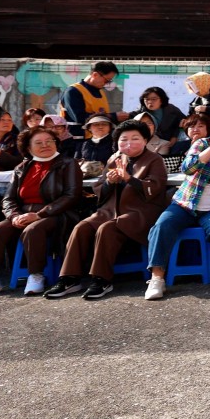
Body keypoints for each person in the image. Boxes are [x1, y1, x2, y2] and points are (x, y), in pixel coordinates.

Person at [0, 125, 84, 299]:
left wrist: (39, 215)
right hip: (22, 214)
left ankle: (36, 275)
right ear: (28, 147)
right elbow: (8, 199)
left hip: (56, 214)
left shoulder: (68, 163)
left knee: (33, 229)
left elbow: (71, 196)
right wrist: (14, 216)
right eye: (38, 142)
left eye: (49, 141)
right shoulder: (22, 167)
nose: (45, 145)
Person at [48, 120, 169, 300]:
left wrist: (129, 179)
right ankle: (69, 278)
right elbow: (100, 190)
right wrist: (109, 182)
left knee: (107, 229)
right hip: (110, 211)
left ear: (145, 140)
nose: (129, 143)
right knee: (82, 227)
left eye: (135, 138)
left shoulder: (154, 159)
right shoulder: (114, 159)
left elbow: (155, 188)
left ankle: (101, 279)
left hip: (140, 213)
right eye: (123, 139)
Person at [143, 111, 210, 300]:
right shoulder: (201, 143)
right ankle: (157, 278)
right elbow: (187, 168)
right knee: (162, 226)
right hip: (186, 203)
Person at [60, 61, 128, 136]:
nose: (106, 84)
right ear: (95, 75)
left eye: (109, 81)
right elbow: (80, 117)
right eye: (106, 80)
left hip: (97, 138)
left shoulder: (101, 92)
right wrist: (113, 116)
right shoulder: (73, 91)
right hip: (77, 139)